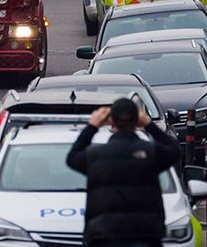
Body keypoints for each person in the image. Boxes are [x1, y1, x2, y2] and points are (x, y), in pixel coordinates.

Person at [66, 99, 181, 247]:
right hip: (145, 233)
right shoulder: (150, 152)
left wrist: (92, 126)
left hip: (104, 233)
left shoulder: (96, 155)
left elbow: (72, 158)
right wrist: (149, 125)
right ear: (137, 121)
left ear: (112, 122)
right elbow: (174, 151)